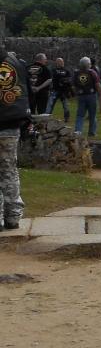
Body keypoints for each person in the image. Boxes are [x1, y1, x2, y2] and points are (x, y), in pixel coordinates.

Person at [0, 49, 31, 230]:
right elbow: (27, 92)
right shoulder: (16, 63)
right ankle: (13, 217)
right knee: (10, 170)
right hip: (12, 124)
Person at [72, 56, 101, 137]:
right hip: (91, 95)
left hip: (81, 96)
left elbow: (74, 86)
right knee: (92, 115)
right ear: (89, 64)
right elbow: (97, 84)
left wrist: (76, 94)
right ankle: (92, 132)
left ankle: (78, 131)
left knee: (80, 115)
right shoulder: (92, 72)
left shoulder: (76, 73)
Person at [25, 53, 51, 118]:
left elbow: (23, 79)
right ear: (41, 59)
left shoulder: (27, 67)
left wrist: (30, 87)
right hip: (42, 93)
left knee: (30, 111)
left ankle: (30, 126)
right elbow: (49, 80)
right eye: (45, 59)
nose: (46, 61)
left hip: (30, 93)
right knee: (41, 112)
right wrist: (39, 88)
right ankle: (40, 126)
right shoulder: (45, 68)